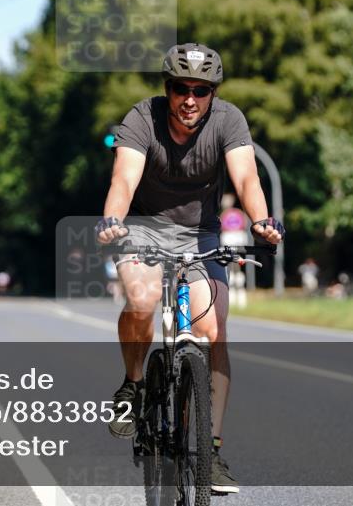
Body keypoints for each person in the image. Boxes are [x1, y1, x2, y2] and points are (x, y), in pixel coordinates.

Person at [95, 43, 284, 494]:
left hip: (201, 234)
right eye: (182, 88)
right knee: (141, 299)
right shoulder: (143, 118)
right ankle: (134, 386)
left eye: (202, 90)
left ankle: (210, 450)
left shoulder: (229, 121)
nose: (191, 99)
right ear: (168, 88)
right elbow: (124, 177)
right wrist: (113, 218)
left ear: (213, 93)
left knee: (214, 332)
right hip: (143, 228)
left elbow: (246, 178)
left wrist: (260, 220)